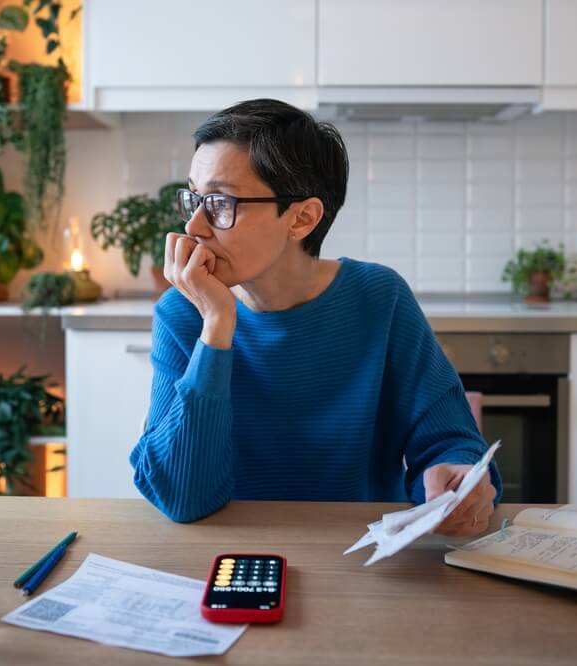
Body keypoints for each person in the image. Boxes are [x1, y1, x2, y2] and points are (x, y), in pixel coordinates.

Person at [129, 98, 500, 533]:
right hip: (229, 556)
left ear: (302, 218)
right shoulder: (184, 313)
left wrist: (454, 477)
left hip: (362, 560)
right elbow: (182, 498)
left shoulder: (379, 299)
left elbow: (450, 440)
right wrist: (216, 329)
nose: (194, 227)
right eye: (194, 198)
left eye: (220, 203)